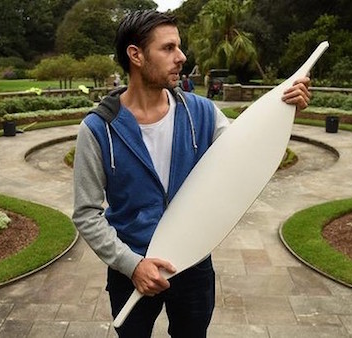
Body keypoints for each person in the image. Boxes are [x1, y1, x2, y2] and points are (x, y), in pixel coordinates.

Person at [72, 10, 311, 337]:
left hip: (194, 263)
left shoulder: (203, 113)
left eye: (179, 47)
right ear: (136, 55)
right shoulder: (97, 129)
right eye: (168, 48)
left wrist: (284, 111)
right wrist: (132, 265)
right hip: (131, 269)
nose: (181, 57)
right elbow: (86, 213)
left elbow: (243, 157)